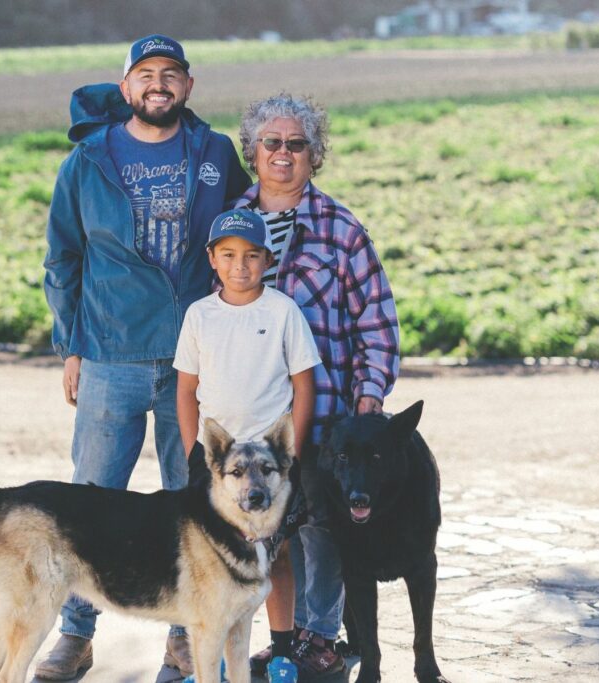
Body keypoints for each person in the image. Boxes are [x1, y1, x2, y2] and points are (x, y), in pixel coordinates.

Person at [37, 34, 251, 680]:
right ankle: (76, 635)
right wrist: (71, 343)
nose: (158, 85)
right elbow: (63, 257)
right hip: (110, 353)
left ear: (188, 86)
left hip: (193, 359)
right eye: (145, 75)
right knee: (90, 501)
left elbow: (245, 239)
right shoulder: (88, 160)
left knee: (193, 499)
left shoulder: (214, 154)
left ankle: (186, 640)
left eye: (171, 75)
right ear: (126, 86)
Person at [232, 94, 400, 678]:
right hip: (252, 415)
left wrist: (369, 401)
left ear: (313, 154)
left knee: (320, 526)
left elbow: (377, 325)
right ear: (253, 151)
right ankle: (283, 636)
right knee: (268, 525)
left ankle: (320, 635)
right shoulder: (231, 223)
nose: (283, 153)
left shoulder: (342, 229)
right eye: (272, 143)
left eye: (296, 144)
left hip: (326, 412)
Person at [174, 207, 319, 478]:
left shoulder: (283, 311)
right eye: (228, 255)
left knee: (270, 520)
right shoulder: (199, 314)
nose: (240, 265)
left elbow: (304, 387)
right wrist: (192, 451)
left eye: (252, 256)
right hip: (214, 454)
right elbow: (186, 390)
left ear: (267, 260)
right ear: (212, 258)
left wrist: (292, 453)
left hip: (269, 456)